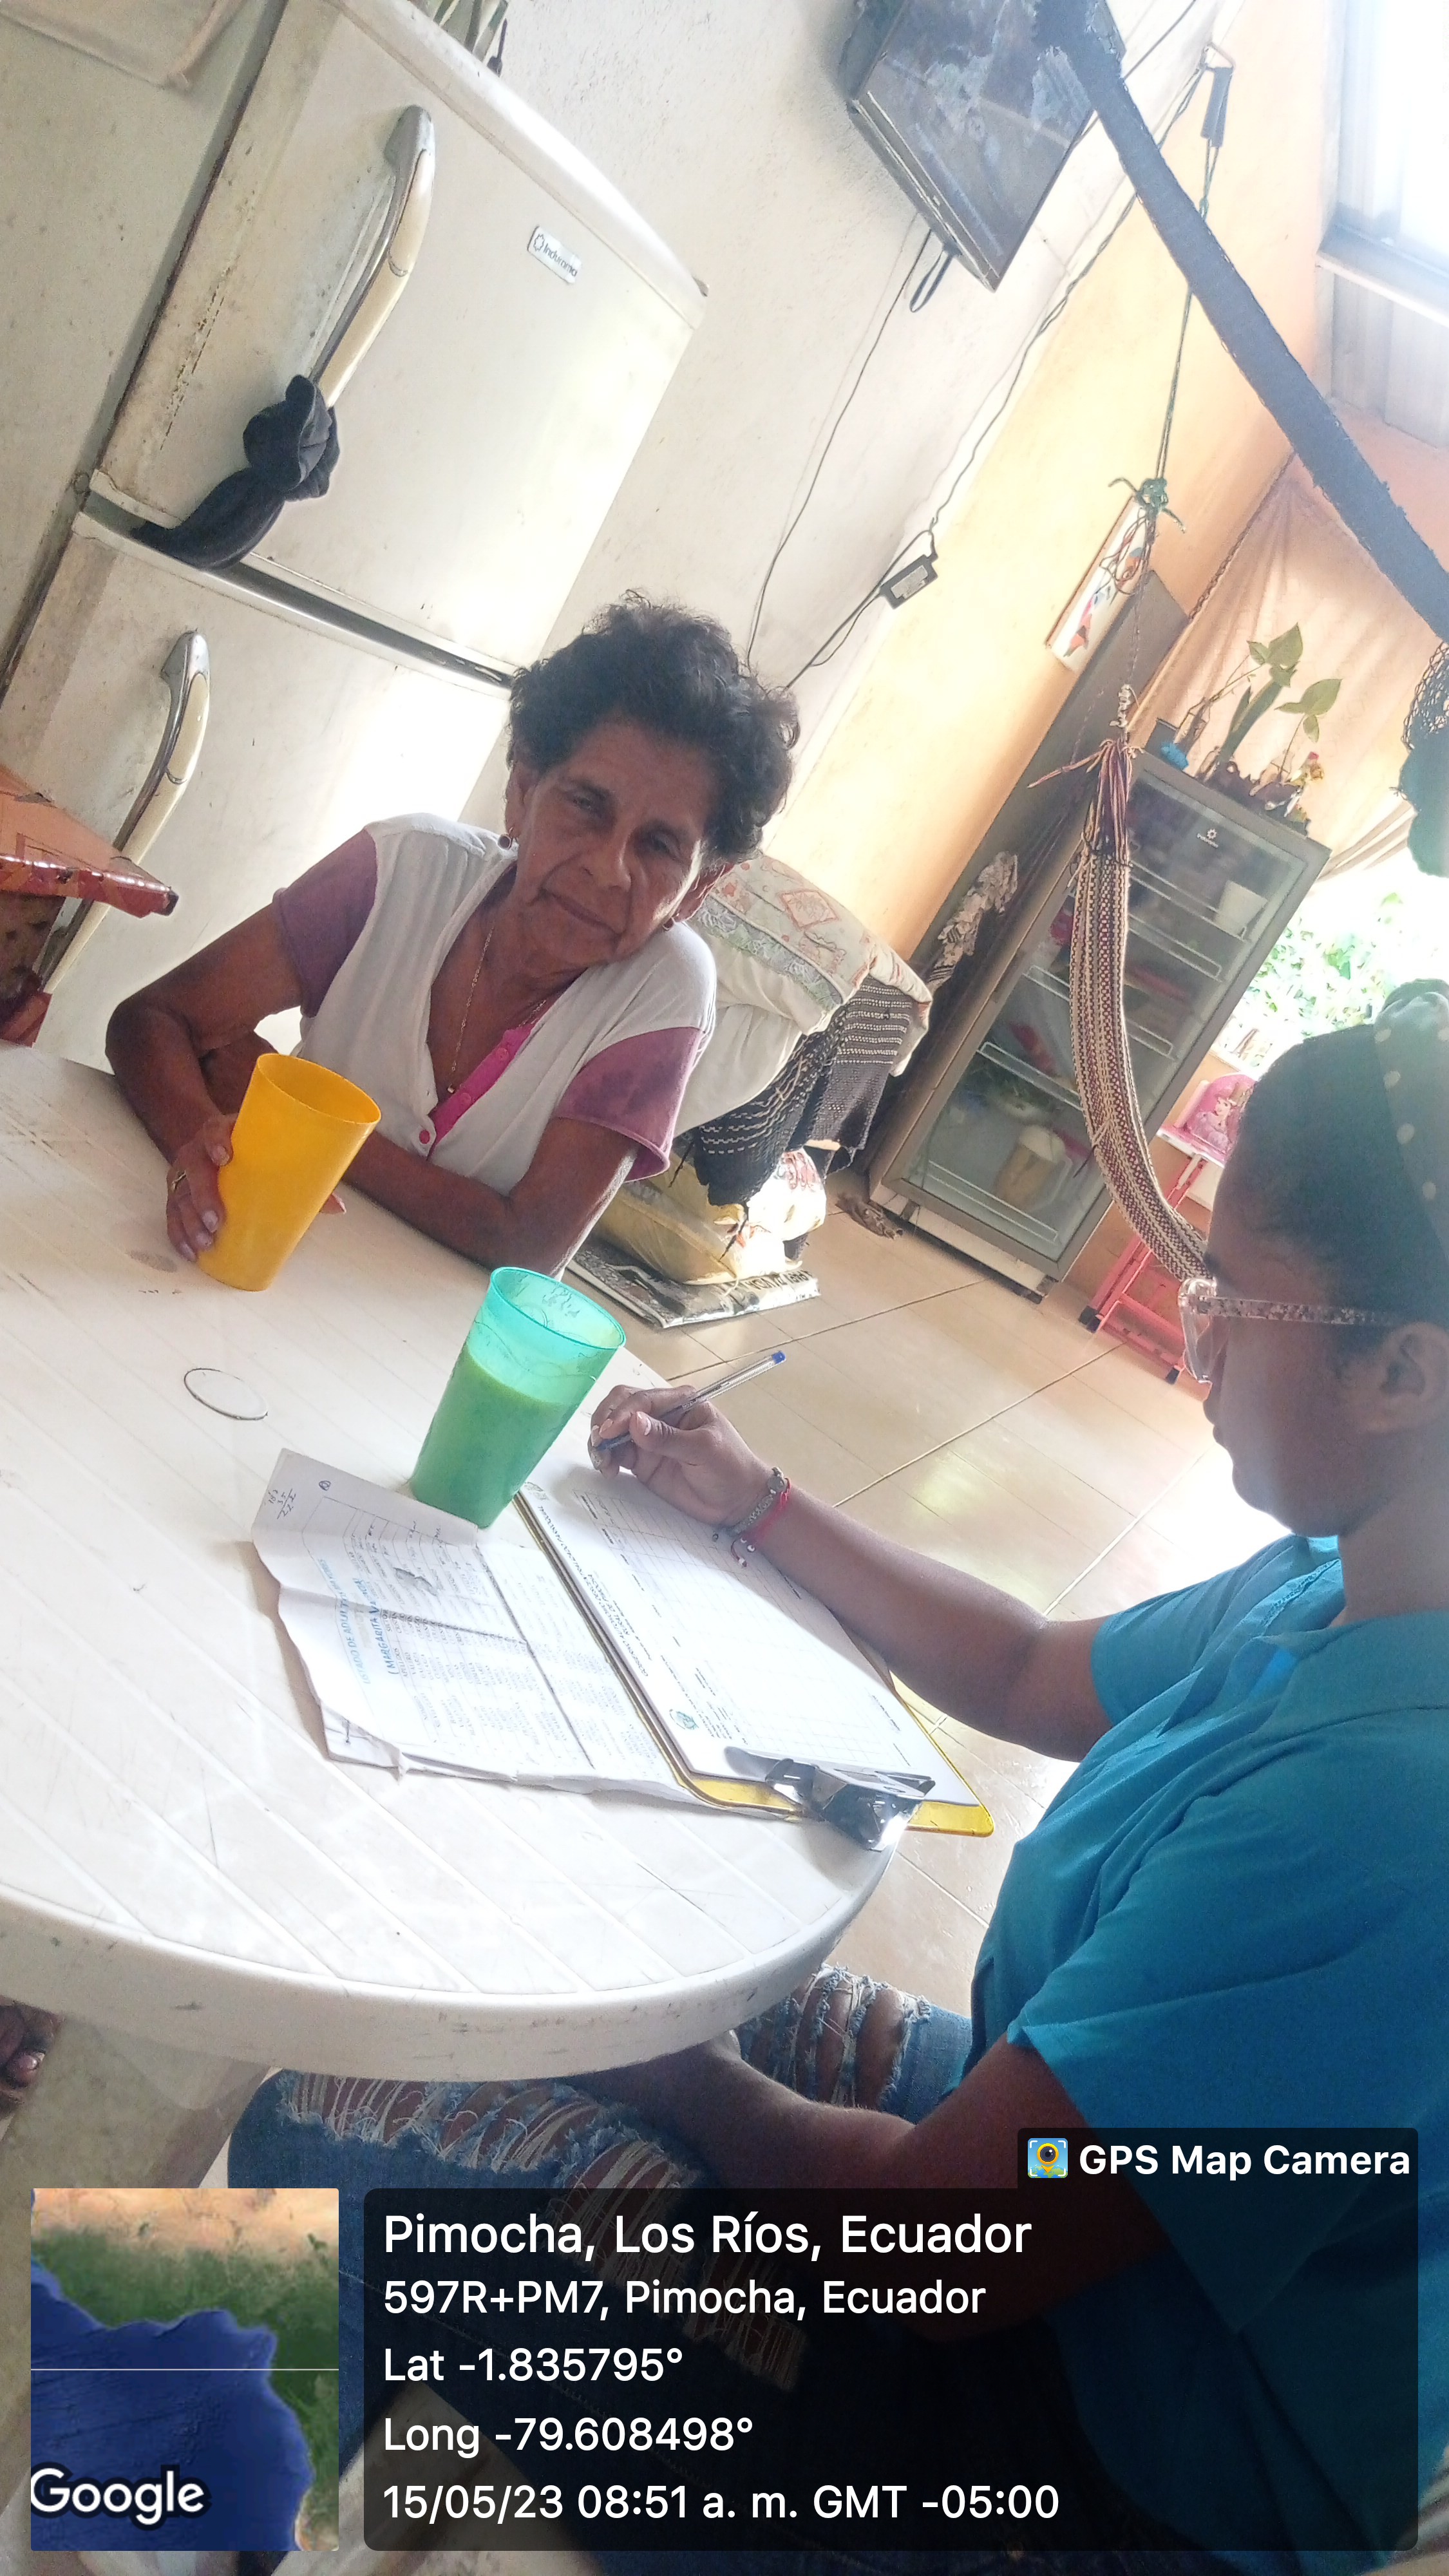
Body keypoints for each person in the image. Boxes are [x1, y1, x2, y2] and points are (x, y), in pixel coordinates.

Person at [229, 989, 1449, 2568]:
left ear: (1403, 1369)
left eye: (1229, 1300)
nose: (1196, 1347)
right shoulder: (1342, 1582)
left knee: (317, 2122)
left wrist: (674, 2073)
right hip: (1074, 2239)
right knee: (618, 1966)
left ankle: (142, 2507)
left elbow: (945, 2246)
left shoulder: (1387, 1813)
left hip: (1076, 2470)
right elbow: (1027, 1664)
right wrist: (755, 1499)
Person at [108, 597, 797, 1277]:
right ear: (523, 791)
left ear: (698, 887)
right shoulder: (401, 868)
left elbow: (528, 1242)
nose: (608, 868)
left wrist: (309, 1127)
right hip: (248, 1258)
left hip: (419, 1331)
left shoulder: (666, 990)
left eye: (660, 846)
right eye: (587, 804)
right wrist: (198, 1154)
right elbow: (153, 1020)